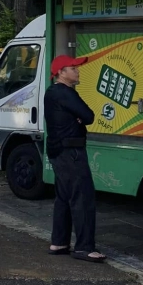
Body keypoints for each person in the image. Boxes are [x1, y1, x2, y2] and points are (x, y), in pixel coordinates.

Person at [45, 55, 105, 263]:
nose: (77, 71)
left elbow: (83, 117)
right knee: (82, 198)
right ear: (61, 72)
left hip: (58, 151)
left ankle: (59, 242)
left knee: (64, 197)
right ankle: (84, 247)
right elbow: (88, 116)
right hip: (72, 152)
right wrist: (80, 118)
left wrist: (79, 117)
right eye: (72, 68)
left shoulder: (52, 93)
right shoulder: (65, 93)